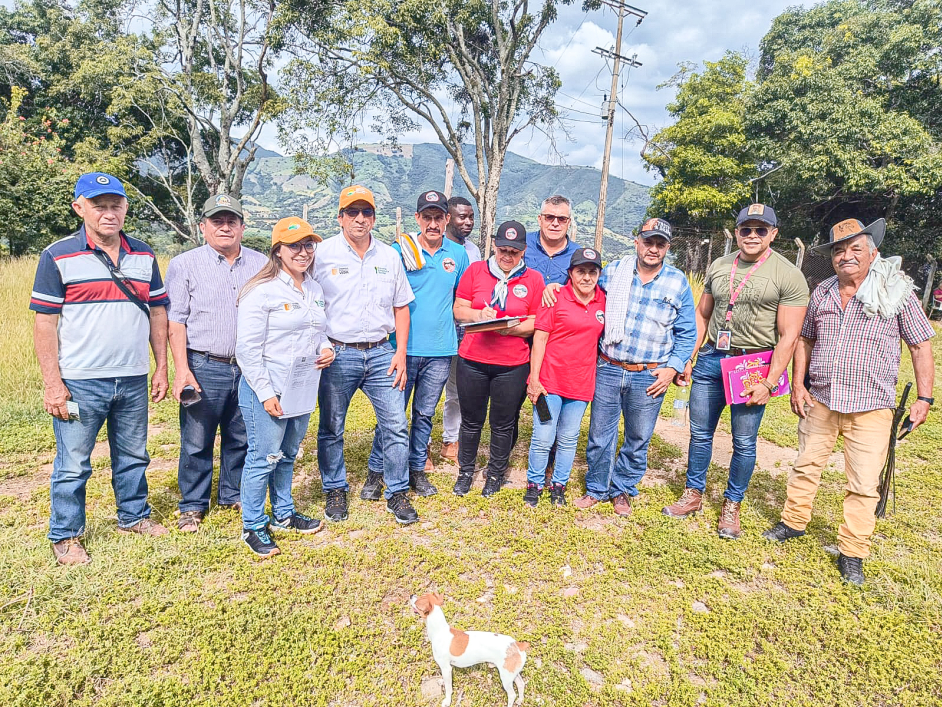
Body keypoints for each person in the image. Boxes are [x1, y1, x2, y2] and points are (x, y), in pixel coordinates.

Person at [762, 218, 935, 585]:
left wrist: (924, 398)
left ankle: (852, 550)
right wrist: (798, 384)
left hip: (872, 406)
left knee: (863, 482)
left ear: (873, 253)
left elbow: (920, 345)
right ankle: (793, 522)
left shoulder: (895, 291)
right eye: (839, 250)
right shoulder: (822, 292)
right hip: (821, 399)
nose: (846, 256)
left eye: (856, 248)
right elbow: (805, 341)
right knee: (806, 465)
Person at [31, 172, 171, 565]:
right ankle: (66, 535)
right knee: (73, 464)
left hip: (132, 377)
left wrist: (161, 367)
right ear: (80, 207)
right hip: (79, 382)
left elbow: (157, 311)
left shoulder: (144, 255)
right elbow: (45, 322)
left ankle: (134, 516)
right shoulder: (57, 255)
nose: (109, 213)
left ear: (126, 208)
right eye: (99, 205)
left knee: (133, 455)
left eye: (116, 205)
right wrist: (52, 383)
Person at [663, 204, 809, 539]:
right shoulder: (720, 265)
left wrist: (770, 382)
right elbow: (702, 315)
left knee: (743, 441)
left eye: (761, 230)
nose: (753, 236)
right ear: (738, 231)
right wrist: (689, 355)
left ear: (773, 234)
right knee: (700, 433)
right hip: (713, 358)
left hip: (753, 366)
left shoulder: (787, 274)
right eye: (746, 229)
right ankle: (693, 494)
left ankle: (732, 505)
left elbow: (790, 335)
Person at [545, 219, 697, 514]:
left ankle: (623, 488)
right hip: (609, 367)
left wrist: (673, 367)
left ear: (667, 248)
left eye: (660, 244)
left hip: (650, 374)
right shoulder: (613, 272)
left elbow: (687, 332)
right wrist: (554, 287)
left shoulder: (677, 282)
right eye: (648, 242)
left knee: (638, 436)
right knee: (600, 434)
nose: (653, 249)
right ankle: (597, 488)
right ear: (637, 242)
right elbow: (581, 290)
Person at [315, 185, 420, 525]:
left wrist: (400, 352)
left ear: (374, 218)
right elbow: (309, 302)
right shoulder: (322, 254)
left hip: (380, 354)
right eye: (352, 212)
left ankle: (397, 492)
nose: (360, 219)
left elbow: (401, 306)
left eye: (367, 213)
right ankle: (335, 489)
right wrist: (320, 343)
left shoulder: (388, 256)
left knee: (395, 425)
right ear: (340, 217)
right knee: (332, 427)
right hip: (338, 353)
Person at [165, 195, 266, 532]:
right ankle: (192, 505)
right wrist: (182, 370)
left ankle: (232, 493)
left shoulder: (261, 264)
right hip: (204, 363)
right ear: (202, 226)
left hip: (249, 365)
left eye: (231, 221)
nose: (225, 227)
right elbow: (175, 321)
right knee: (197, 439)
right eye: (217, 221)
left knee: (241, 434)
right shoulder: (184, 264)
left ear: (242, 225)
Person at [235, 217, 335, 558]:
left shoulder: (315, 288)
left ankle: (283, 514)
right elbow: (246, 350)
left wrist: (327, 348)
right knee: (264, 457)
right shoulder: (261, 290)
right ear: (278, 250)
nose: (303, 252)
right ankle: (253, 526)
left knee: (288, 455)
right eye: (295, 246)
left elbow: (319, 331)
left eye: (309, 245)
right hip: (268, 388)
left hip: (302, 386)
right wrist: (265, 393)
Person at [366, 191, 469, 497]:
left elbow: (460, 299)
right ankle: (376, 472)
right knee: (392, 415)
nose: (433, 223)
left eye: (439, 217)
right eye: (427, 217)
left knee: (424, 414)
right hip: (402, 349)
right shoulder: (401, 250)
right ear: (418, 219)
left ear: (447, 220)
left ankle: (416, 470)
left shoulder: (458, 255)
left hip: (440, 351)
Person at [452, 221, 545, 496]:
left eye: (514, 252)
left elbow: (537, 321)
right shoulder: (476, 271)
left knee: (503, 423)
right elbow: (459, 309)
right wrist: (480, 316)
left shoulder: (534, 280)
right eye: (503, 249)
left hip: (512, 364)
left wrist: (509, 328)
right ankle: (466, 471)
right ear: (494, 246)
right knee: (471, 420)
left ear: (523, 251)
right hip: (473, 359)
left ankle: (495, 473)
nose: (507, 256)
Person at [524, 247, 606, 507]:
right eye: (580, 271)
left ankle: (559, 484)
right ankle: (534, 484)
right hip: (549, 383)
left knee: (569, 438)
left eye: (592, 272)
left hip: (580, 385)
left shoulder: (603, 300)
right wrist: (534, 379)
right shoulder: (555, 297)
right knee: (543, 436)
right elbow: (540, 338)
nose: (586, 277)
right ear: (570, 273)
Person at [440, 196, 482, 464]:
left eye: (470, 217)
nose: (467, 222)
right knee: (428, 390)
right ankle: (420, 443)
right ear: (447, 218)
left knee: (457, 388)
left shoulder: (474, 251)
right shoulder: (437, 247)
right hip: (437, 330)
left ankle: (450, 439)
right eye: (461, 217)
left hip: (465, 330)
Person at [525, 195, 581, 286]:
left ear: (569, 223)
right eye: (549, 217)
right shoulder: (522, 243)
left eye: (562, 219)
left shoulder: (578, 254)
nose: (555, 223)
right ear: (540, 220)